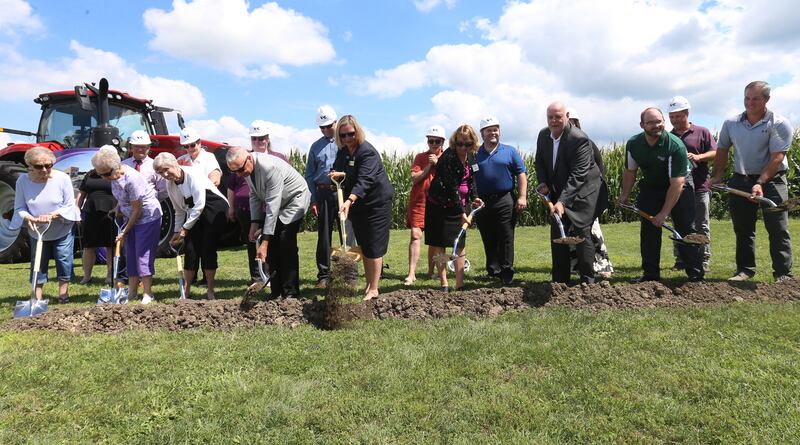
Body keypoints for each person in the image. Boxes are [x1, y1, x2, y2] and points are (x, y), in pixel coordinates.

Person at [711, 81, 793, 282]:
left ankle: (783, 273)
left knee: (777, 227)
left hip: (773, 181)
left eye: (755, 98)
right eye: (747, 98)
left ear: (766, 99)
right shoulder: (731, 123)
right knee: (743, 228)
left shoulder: (779, 123)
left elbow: (777, 158)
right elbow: (722, 150)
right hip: (741, 180)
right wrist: (717, 175)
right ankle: (745, 270)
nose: (750, 103)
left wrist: (761, 182)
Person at [618, 107, 704, 282]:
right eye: (651, 122)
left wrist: (664, 213)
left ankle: (695, 275)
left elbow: (677, 183)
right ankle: (651, 275)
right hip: (651, 187)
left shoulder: (675, 146)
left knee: (685, 229)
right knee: (649, 231)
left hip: (679, 186)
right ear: (642, 125)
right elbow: (630, 171)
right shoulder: (634, 144)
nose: (656, 125)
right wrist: (624, 195)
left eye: (659, 121)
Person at [226, 146, 310, 299]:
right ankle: (276, 291)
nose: (239, 174)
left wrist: (264, 243)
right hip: (278, 204)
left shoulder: (269, 168)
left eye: (240, 169)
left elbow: (272, 206)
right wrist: (254, 224)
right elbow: (255, 196)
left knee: (285, 242)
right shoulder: (245, 168)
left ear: (249, 159)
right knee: (273, 248)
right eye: (235, 172)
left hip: (294, 201)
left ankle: (291, 292)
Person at [535, 102, 606, 284]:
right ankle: (560, 282)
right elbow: (540, 162)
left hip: (585, 190)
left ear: (566, 116)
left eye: (558, 116)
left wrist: (563, 202)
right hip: (561, 190)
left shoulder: (578, 138)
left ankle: (587, 280)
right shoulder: (543, 136)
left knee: (582, 233)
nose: (554, 121)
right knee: (557, 231)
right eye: (550, 117)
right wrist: (543, 182)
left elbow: (578, 174)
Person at [329, 114, 394, 300]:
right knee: (364, 245)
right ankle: (369, 285)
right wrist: (334, 175)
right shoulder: (343, 152)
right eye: (343, 135)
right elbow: (340, 170)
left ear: (357, 132)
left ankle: (374, 289)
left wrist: (349, 200)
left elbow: (365, 180)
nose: (347, 138)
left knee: (373, 245)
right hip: (358, 205)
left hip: (376, 204)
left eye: (350, 134)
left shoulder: (367, 152)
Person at [154, 152, 230, 300]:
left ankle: (210, 291)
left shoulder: (192, 174)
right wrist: (177, 231)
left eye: (166, 169)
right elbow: (179, 210)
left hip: (213, 208)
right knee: (190, 249)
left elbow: (200, 204)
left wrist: (185, 229)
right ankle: (186, 291)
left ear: (175, 164)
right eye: (160, 172)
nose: (165, 174)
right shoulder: (170, 185)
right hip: (194, 213)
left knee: (208, 248)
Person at [93, 146, 163, 304]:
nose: (104, 177)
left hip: (147, 217)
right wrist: (117, 208)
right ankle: (132, 292)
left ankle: (147, 293)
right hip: (129, 217)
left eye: (106, 174)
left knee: (142, 254)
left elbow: (137, 209)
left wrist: (125, 232)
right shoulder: (114, 177)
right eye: (100, 174)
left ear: (116, 167)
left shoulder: (132, 178)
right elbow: (123, 198)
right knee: (130, 254)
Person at [11, 146, 81, 303]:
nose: (44, 169)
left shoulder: (62, 178)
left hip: (62, 226)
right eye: (39, 166)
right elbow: (20, 207)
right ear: (29, 166)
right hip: (38, 229)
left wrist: (52, 215)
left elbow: (69, 205)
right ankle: (37, 297)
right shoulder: (22, 181)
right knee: (38, 261)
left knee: (63, 258)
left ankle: (63, 295)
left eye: (48, 165)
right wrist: (30, 218)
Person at [424, 124, 483, 291]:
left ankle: (460, 283)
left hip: (460, 204)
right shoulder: (448, 158)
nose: (463, 147)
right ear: (454, 142)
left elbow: (471, 181)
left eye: (467, 144)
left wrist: (475, 198)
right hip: (440, 206)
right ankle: (444, 283)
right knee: (440, 244)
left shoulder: (472, 156)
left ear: (473, 143)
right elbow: (451, 188)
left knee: (461, 244)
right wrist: (461, 213)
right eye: (460, 144)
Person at [473, 116, 527, 285]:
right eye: (489, 130)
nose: (493, 133)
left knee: (506, 236)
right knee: (488, 236)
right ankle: (493, 269)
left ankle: (506, 271)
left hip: (505, 199)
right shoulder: (474, 154)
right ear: (482, 133)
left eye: (496, 129)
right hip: (482, 202)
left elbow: (521, 174)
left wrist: (522, 196)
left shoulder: (509, 151)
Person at [667, 96, 716, 272]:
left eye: (678, 116)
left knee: (701, 225)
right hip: (679, 189)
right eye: (672, 117)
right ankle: (681, 259)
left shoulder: (702, 132)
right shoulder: (669, 136)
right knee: (679, 224)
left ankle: (703, 259)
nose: (675, 120)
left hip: (700, 186)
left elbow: (715, 153)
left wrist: (698, 157)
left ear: (687, 113)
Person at [304, 106, 351, 289]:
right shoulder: (315, 147)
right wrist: (313, 199)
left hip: (342, 193)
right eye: (321, 127)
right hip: (323, 194)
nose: (325, 130)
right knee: (324, 237)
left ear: (335, 122)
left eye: (328, 126)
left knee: (346, 234)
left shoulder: (346, 143)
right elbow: (309, 175)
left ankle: (347, 274)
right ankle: (324, 275)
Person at [566, 108, 613, 278]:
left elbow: (599, 169)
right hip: (569, 198)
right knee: (573, 236)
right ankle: (578, 268)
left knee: (592, 233)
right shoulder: (560, 143)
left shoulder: (586, 142)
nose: (571, 125)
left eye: (573, 122)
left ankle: (602, 268)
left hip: (588, 197)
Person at [403, 125, 444, 285]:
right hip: (419, 202)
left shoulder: (447, 158)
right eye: (430, 140)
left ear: (442, 142)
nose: (433, 144)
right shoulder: (420, 157)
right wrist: (429, 166)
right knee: (415, 235)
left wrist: (438, 163)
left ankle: (431, 271)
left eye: (437, 141)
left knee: (436, 240)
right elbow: (415, 178)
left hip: (439, 203)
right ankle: (411, 273)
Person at [75, 167, 116, 284]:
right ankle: (86, 276)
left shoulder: (115, 173)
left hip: (111, 211)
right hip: (91, 211)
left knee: (111, 245)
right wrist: (77, 208)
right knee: (89, 246)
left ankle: (109, 275)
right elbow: (82, 193)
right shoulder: (90, 173)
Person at [226, 161, 260, 284]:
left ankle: (268, 274)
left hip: (262, 208)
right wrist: (231, 207)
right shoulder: (236, 168)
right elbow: (231, 187)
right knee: (251, 243)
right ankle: (256, 277)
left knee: (265, 241)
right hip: (244, 209)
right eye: (254, 139)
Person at [122, 130, 167, 199]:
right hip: (128, 206)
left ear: (149, 147)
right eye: (137, 146)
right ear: (131, 147)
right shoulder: (123, 165)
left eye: (143, 147)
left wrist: (153, 201)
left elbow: (164, 189)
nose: (140, 150)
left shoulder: (156, 165)